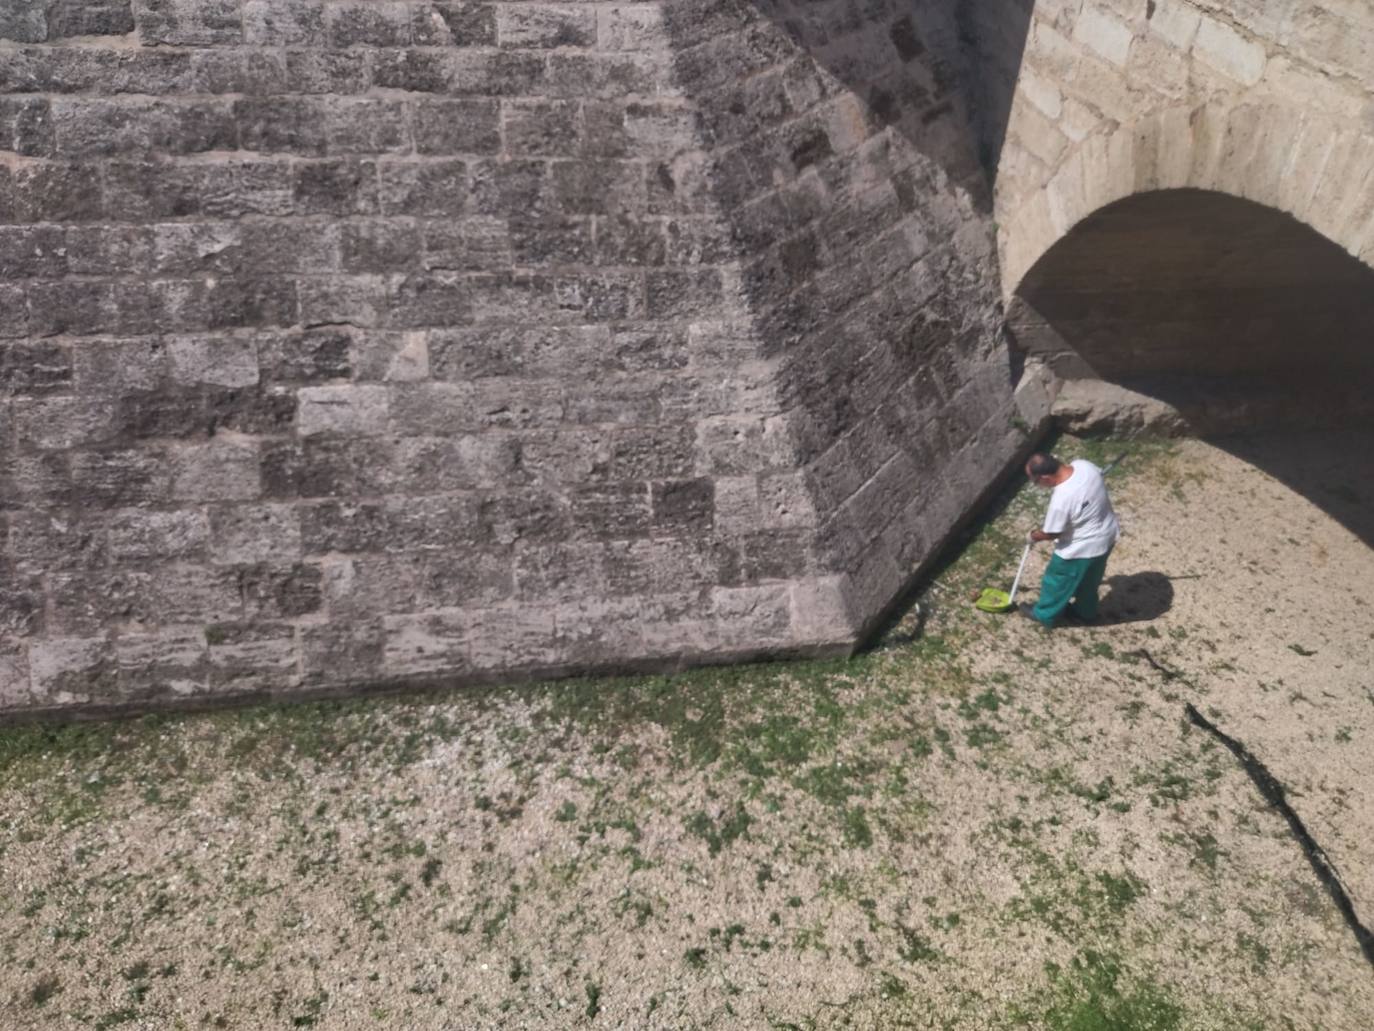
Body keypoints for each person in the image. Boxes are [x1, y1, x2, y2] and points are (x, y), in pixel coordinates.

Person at [1020, 452, 1119, 628]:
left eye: (1035, 482)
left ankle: (1044, 614)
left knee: (1057, 580)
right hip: (1108, 536)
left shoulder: (1062, 499)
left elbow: (1052, 533)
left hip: (1081, 549)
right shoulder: (1084, 465)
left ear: (1045, 477)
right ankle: (1085, 612)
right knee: (1090, 580)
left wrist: (1033, 536)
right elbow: (1098, 474)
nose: (1038, 485)